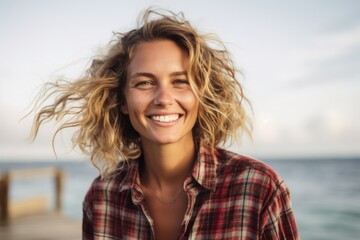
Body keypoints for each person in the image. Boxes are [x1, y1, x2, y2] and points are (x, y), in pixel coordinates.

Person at [30, 9, 299, 240]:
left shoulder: (259, 188)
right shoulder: (102, 197)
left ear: (201, 94)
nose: (164, 99)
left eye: (180, 81)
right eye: (144, 83)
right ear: (122, 99)